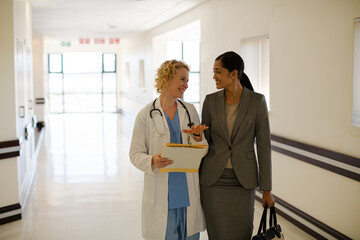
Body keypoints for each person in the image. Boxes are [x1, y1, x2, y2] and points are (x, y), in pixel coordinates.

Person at [129, 60, 208, 240]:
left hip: (187, 193)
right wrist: (152, 160)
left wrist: (198, 138)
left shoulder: (190, 110)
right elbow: (134, 154)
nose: (186, 85)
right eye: (182, 79)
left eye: (187, 81)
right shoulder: (146, 114)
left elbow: (202, 150)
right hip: (161, 193)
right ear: (167, 78)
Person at [200, 51, 275, 239]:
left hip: (243, 182)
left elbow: (264, 146)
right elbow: (205, 142)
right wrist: (195, 138)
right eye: (213, 71)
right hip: (213, 181)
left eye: (218, 72)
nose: (214, 76)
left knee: (242, 233)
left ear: (234, 74)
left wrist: (267, 189)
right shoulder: (210, 101)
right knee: (216, 234)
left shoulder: (257, 101)